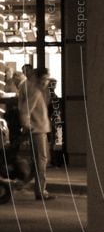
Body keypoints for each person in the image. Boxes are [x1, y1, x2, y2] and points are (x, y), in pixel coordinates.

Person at [19, 67, 55, 201]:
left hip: (40, 130)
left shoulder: (39, 92)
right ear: (39, 79)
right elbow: (25, 110)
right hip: (37, 131)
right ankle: (40, 191)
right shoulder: (35, 92)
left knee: (40, 161)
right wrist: (28, 126)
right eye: (45, 79)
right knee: (41, 161)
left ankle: (23, 184)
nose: (47, 82)